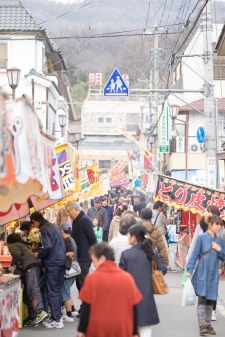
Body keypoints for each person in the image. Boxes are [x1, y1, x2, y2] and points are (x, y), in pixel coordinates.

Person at [77, 242, 142, 337]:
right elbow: (134, 307)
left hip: (98, 328)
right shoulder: (127, 278)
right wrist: (135, 331)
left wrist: (81, 330)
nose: (94, 265)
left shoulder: (92, 278)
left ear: (102, 259)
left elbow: (86, 308)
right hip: (122, 327)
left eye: (94, 261)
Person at [119, 225, 167, 337]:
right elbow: (163, 269)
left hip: (129, 299)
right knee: (146, 332)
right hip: (146, 299)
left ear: (134, 237)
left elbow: (120, 277)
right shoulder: (151, 253)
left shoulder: (126, 254)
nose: (127, 238)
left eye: (129, 235)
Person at [187, 215, 225, 336]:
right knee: (202, 298)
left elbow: (223, 257)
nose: (219, 227)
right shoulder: (201, 238)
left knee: (210, 299)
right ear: (210, 224)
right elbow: (194, 255)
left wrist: (219, 249)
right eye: (217, 224)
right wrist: (189, 270)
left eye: (220, 225)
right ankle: (202, 325)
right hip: (201, 272)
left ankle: (208, 325)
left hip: (213, 273)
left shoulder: (221, 241)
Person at [30, 211, 66, 329]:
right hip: (60, 260)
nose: (33, 225)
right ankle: (57, 317)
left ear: (35, 221)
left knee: (52, 291)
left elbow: (47, 246)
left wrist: (38, 253)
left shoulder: (44, 229)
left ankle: (56, 319)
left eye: (32, 223)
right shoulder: (53, 226)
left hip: (53, 262)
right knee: (57, 290)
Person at [7, 233, 48, 327]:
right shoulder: (23, 245)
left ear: (9, 242)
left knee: (33, 288)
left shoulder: (13, 245)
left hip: (30, 267)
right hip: (35, 266)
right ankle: (32, 317)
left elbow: (16, 256)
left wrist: (13, 266)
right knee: (26, 294)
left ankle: (39, 312)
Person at [65, 202, 97, 293]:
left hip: (84, 257)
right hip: (78, 257)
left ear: (76, 209)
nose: (68, 214)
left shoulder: (84, 219)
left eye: (68, 211)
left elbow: (92, 239)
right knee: (80, 284)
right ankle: (85, 305)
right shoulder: (76, 220)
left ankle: (87, 306)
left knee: (83, 284)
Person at [60, 222, 78, 323]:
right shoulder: (72, 239)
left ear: (62, 230)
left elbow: (70, 254)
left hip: (69, 270)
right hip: (74, 270)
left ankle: (69, 315)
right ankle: (73, 310)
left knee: (65, 293)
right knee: (67, 292)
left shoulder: (66, 240)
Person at [151, 201, 175, 272]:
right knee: (165, 250)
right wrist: (168, 219)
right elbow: (167, 223)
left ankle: (153, 265)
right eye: (162, 207)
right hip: (160, 234)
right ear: (159, 207)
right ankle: (166, 265)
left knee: (153, 249)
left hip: (152, 233)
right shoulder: (160, 215)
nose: (163, 208)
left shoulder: (150, 213)